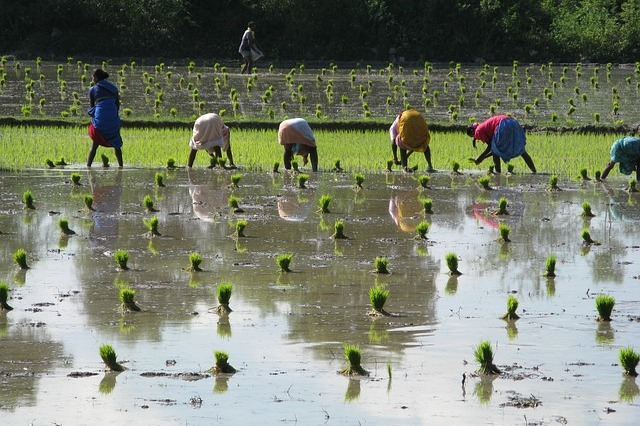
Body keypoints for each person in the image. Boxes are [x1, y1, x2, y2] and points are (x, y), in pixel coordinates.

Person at [467, 115, 536, 174]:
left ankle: (498, 174)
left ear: (472, 131)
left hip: (502, 125)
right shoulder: (483, 127)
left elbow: (491, 147)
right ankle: (534, 172)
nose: (476, 138)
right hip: (512, 122)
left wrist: (480, 158)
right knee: (522, 151)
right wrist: (483, 158)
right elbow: (494, 149)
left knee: (495, 154)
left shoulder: (478, 131)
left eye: (473, 136)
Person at [87, 68, 123, 167]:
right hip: (112, 115)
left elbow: (92, 108)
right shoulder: (113, 88)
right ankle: (121, 166)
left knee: (95, 144)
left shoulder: (93, 89)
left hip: (101, 117)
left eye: (93, 77)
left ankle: (88, 166)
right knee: (117, 145)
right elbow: (117, 106)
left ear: (96, 77)